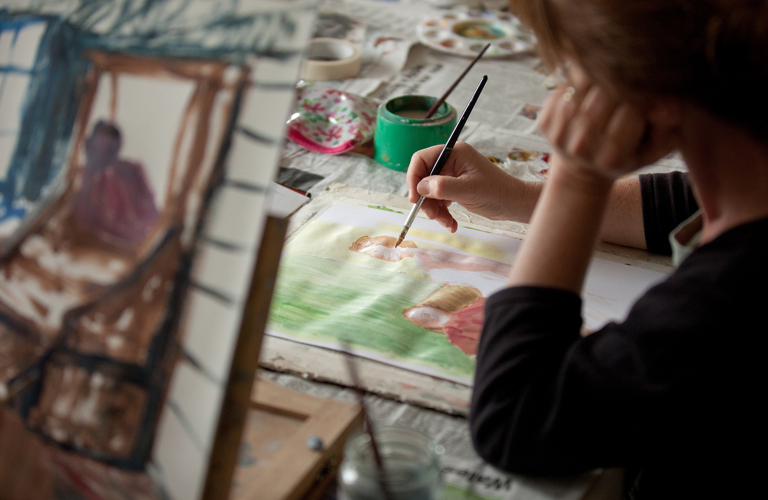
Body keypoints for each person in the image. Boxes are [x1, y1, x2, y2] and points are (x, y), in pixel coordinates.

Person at [406, 0, 767, 497]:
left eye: (573, 75)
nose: (566, 94)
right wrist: (525, 198)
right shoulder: (750, 173)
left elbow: (516, 419)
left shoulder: (731, 299)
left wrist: (578, 180)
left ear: (649, 92)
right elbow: (681, 202)